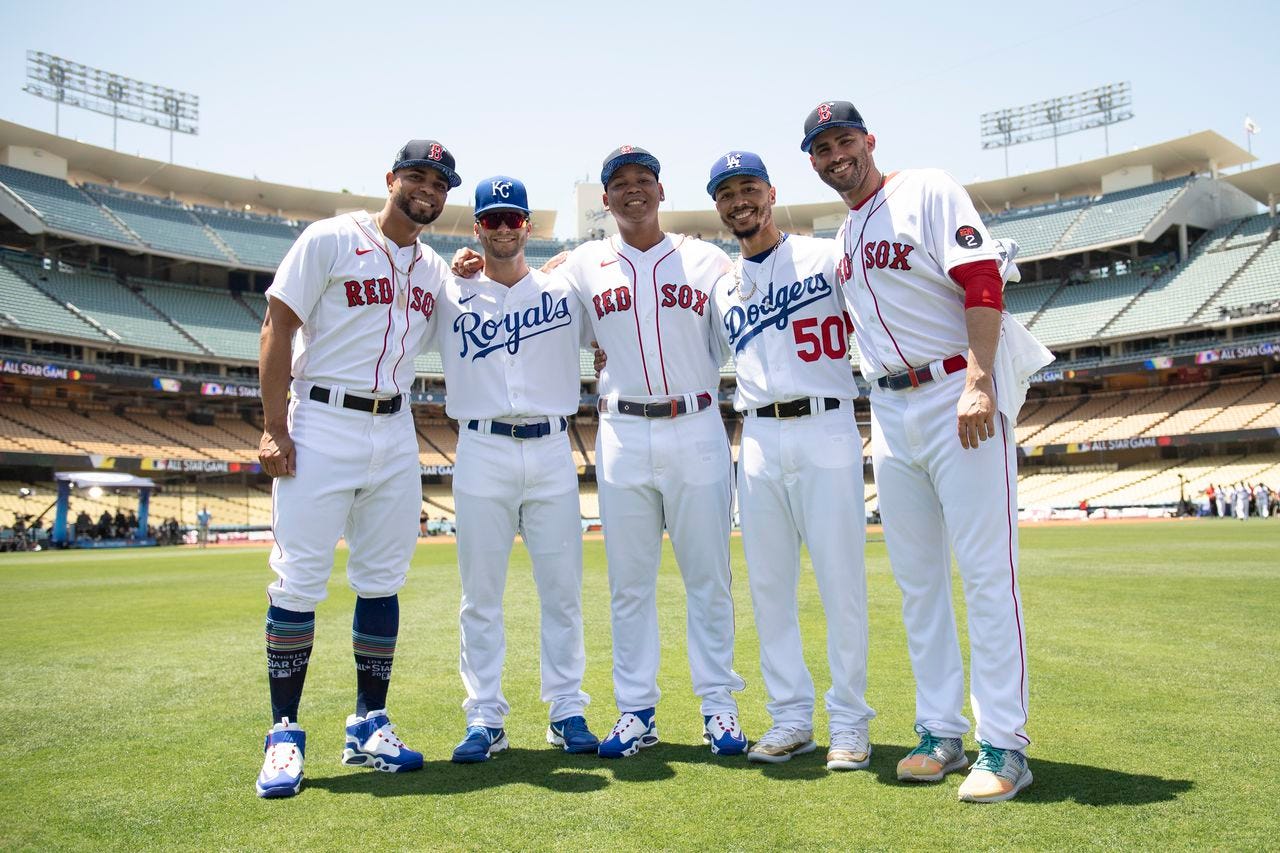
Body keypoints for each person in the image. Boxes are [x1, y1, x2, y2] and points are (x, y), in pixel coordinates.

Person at [459, 147, 748, 758]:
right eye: (620, 184)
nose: (633, 191)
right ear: (607, 199)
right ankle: (635, 709)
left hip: (695, 421)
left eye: (644, 180)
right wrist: (470, 265)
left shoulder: (705, 259)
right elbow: (523, 293)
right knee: (629, 585)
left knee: (709, 579)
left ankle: (719, 706)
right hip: (620, 431)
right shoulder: (581, 267)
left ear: (661, 191)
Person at [802, 100, 1052, 803]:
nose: (834, 155)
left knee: (984, 574)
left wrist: (979, 379)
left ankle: (1004, 743)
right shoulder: (847, 233)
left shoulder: (928, 189)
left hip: (953, 389)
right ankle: (940, 730)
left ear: (868, 141)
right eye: (821, 149)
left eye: (843, 140)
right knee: (917, 581)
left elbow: (981, 279)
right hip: (889, 404)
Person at [254, 138, 459, 797]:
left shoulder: (433, 269)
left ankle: (369, 722)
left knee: (381, 578)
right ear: (391, 178)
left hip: (395, 426)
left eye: (440, 181)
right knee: (299, 580)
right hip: (322, 417)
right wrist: (272, 426)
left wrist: (477, 269)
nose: (428, 188)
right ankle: (284, 733)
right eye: (418, 175)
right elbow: (276, 327)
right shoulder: (331, 238)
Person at [704, 151, 873, 770]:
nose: (739, 200)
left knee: (840, 586)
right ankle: (790, 718)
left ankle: (851, 723)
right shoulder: (721, 285)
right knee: (770, 588)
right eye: (727, 193)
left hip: (827, 424)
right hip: (758, 438)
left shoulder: (825, 256)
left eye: (749, 187)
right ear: (718, 206)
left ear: (771, 193)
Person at [432, 175, 598, 763]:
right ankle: (484, 717)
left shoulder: (563, 290)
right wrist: (454, 269)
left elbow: (609, 293)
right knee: (481, 596)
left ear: (528, 225)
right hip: (480, 447)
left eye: (513, 218)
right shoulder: (450, 292)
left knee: (562, 592)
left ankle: (567, 710)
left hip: (553, 446)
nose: (503, 228)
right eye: (492, 218)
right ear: (476, 226)